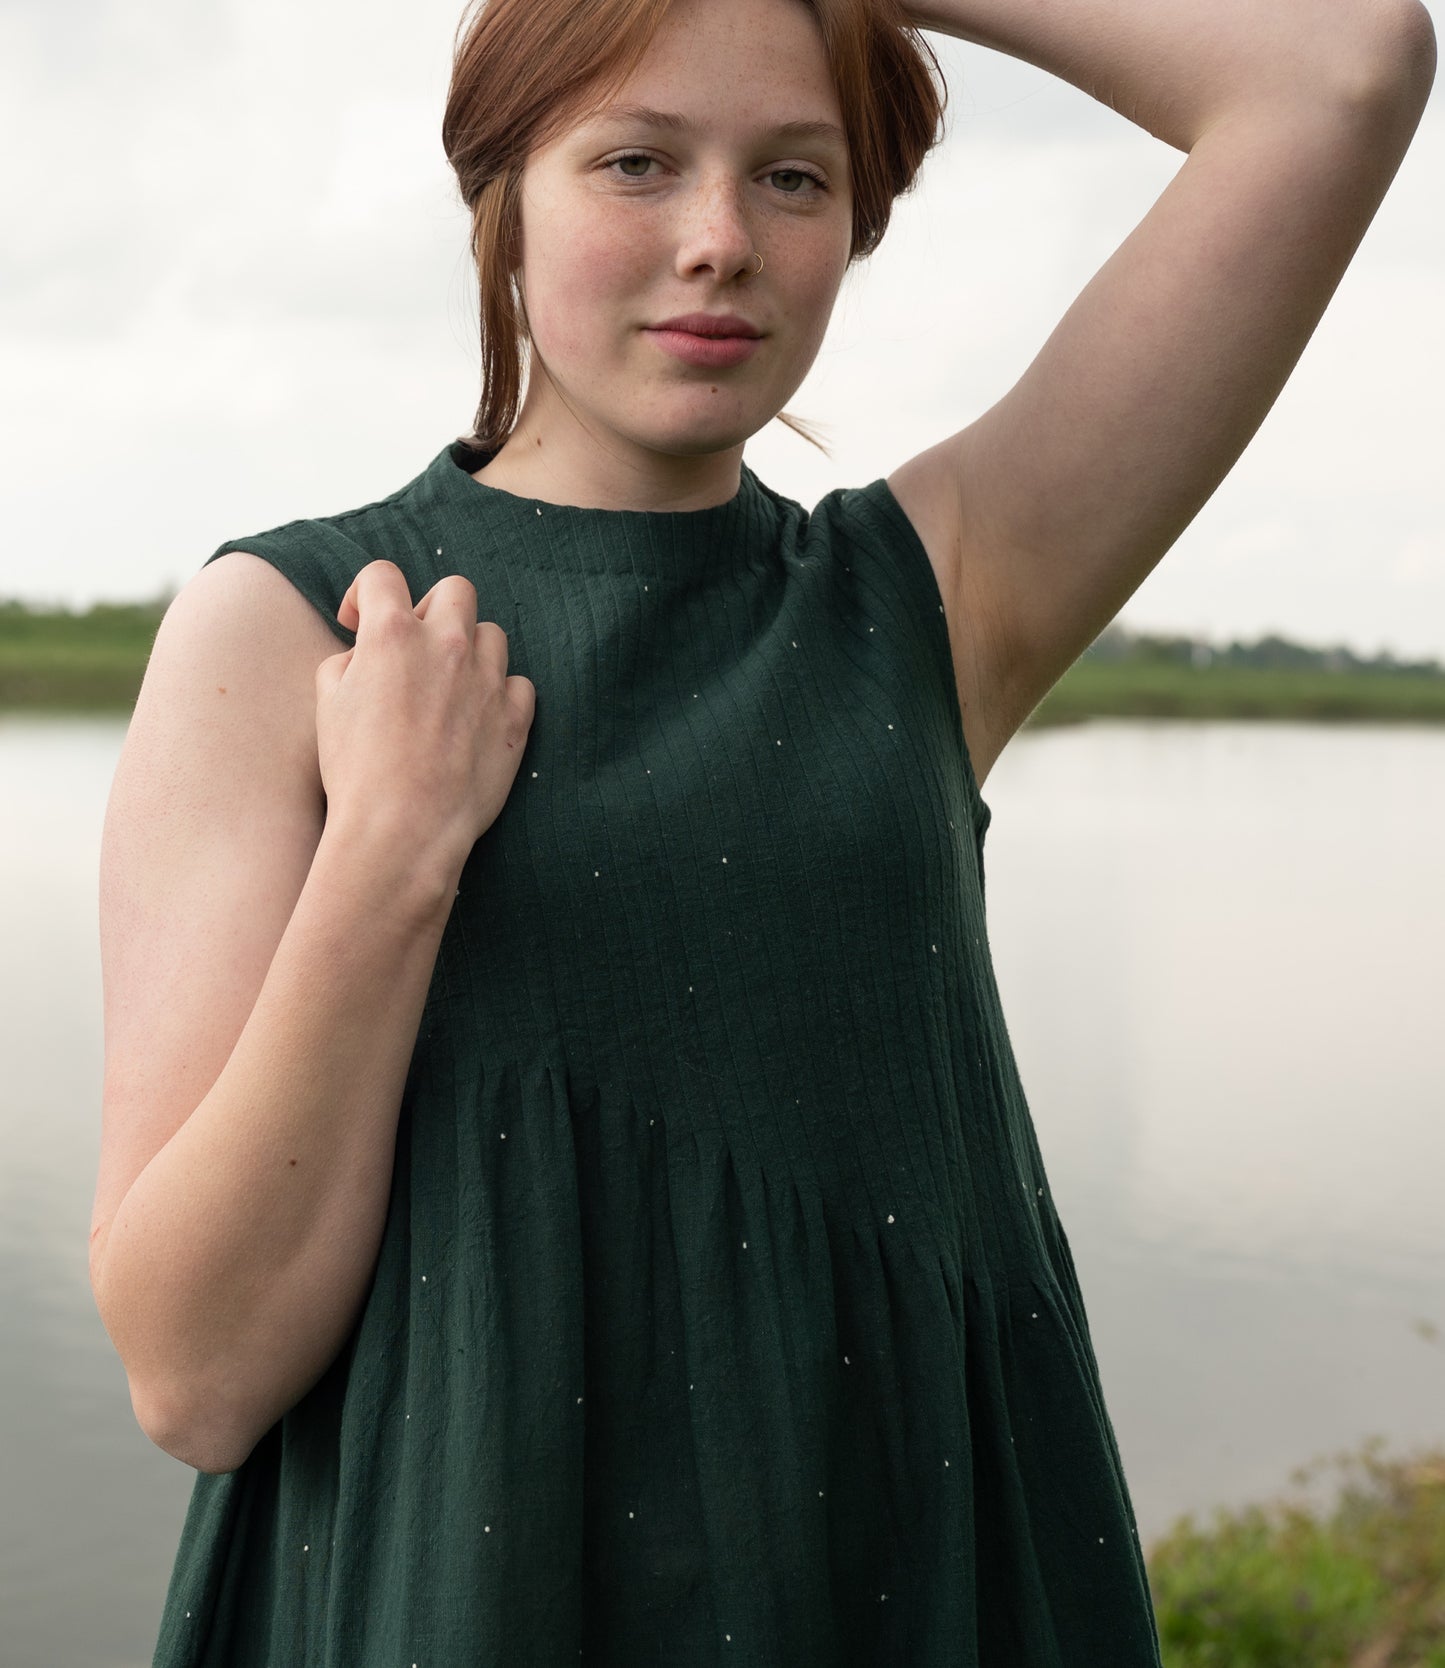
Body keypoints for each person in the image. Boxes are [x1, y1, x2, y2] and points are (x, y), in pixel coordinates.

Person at [89, 0, 1434, 1660]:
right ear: (501, 191)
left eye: (794, 179)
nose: (719, 241)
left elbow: (1339, 68)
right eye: (637, 163)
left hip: (920, 1578)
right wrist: (387, 857)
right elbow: (195, 1377)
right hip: (457, 1591)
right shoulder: (288, 631)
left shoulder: (936, 594)